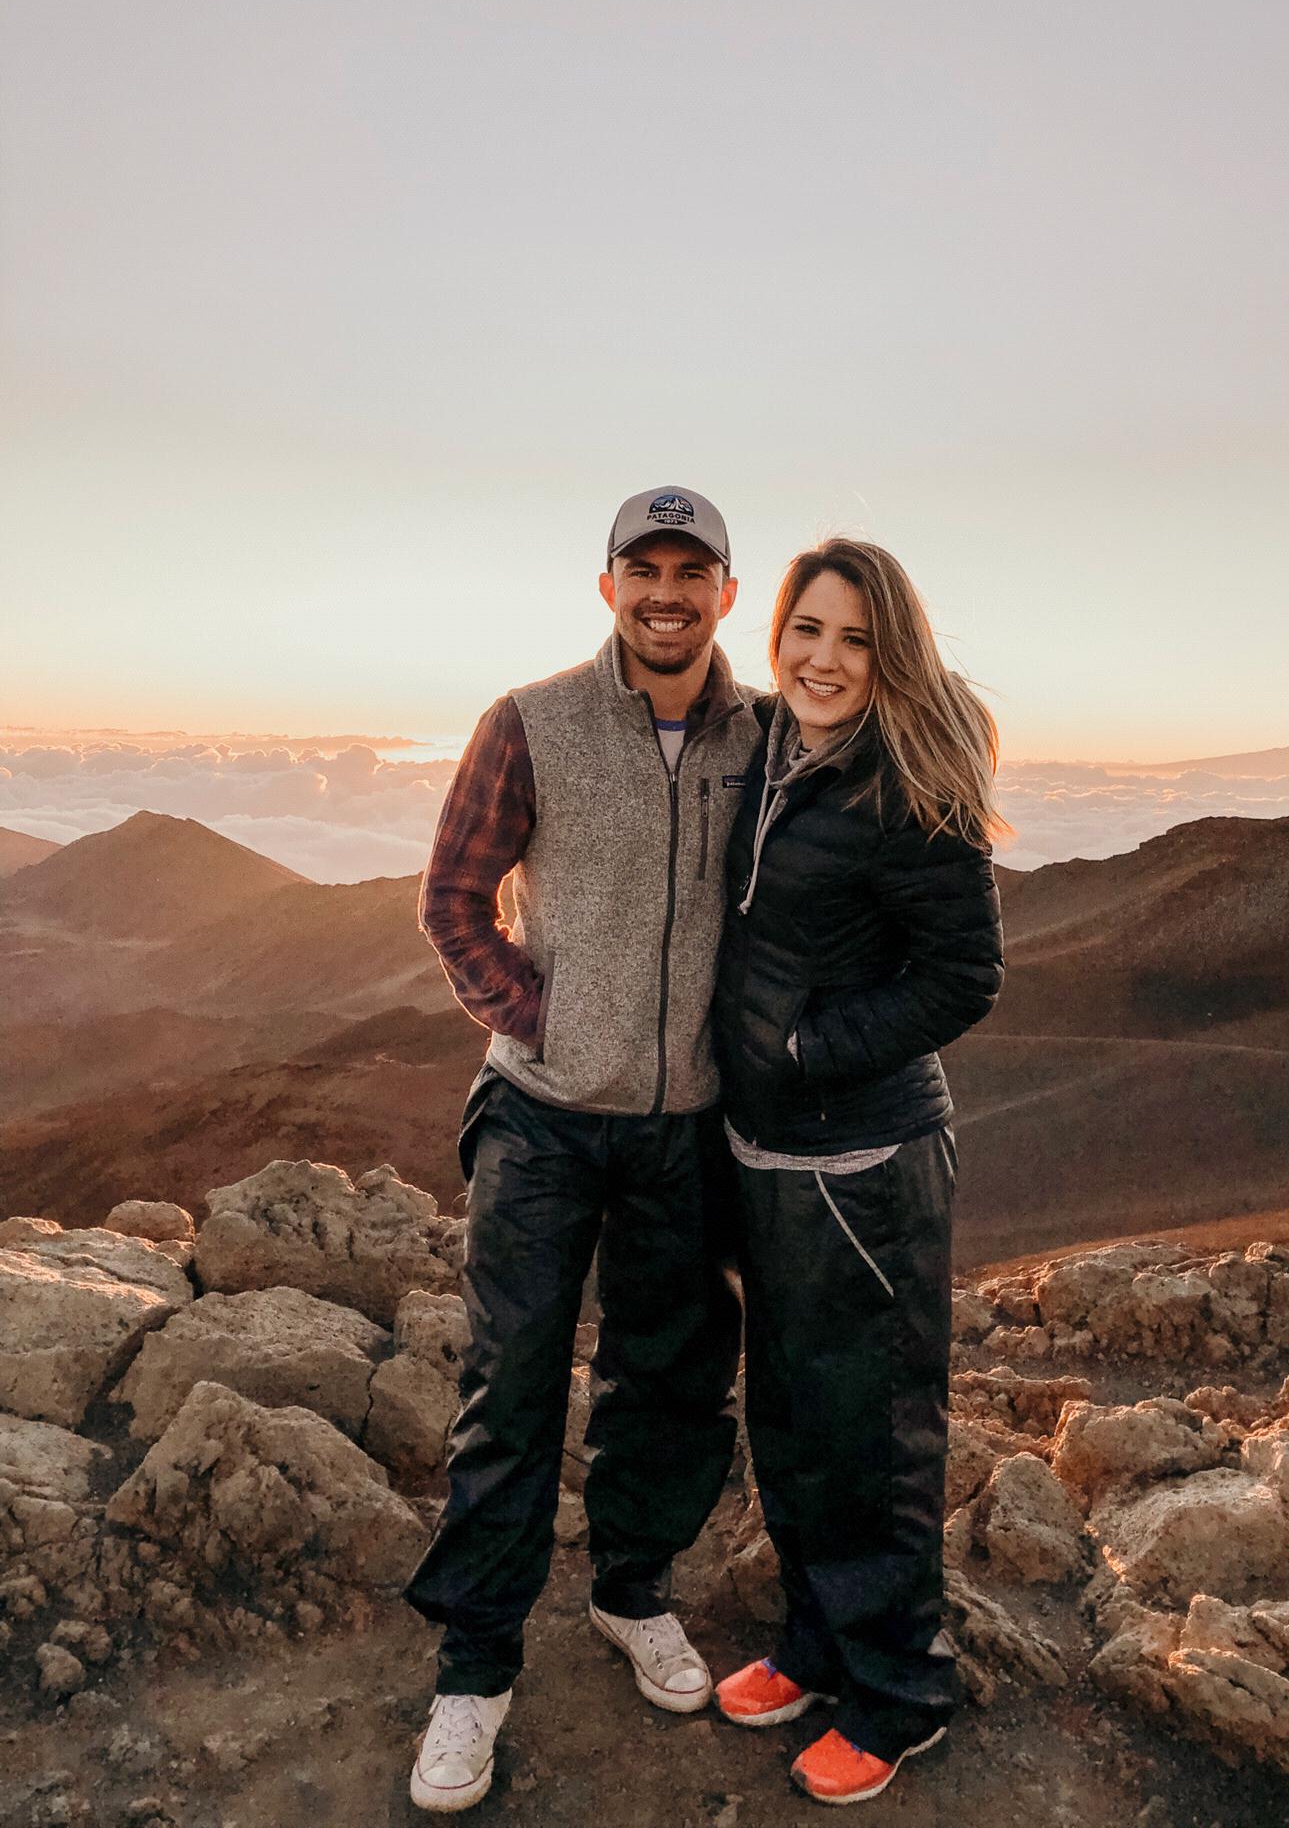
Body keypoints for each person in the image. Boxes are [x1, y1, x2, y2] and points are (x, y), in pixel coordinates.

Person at [403, 487, 763, 1814]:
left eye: (693, 570)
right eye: (643, 567)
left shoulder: (763, 739)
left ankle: (630, 1594)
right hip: (545, 1120)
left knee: (668, 1379)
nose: (666, 591)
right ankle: (475, 1667)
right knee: (511, 1385)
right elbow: (450, 897)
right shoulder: (531, 720)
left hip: (687, 1126)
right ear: (607, 585)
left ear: (728, 591)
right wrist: (541, 1021)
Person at [710, 537, 1005, 1806]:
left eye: (855, 638)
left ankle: (899, 1690)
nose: (824, 659)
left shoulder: (912, 783)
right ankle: (819, 1642)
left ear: (893, 653)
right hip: (767, 1152)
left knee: (871, 1429)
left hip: (867, 1156)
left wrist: (807, 1047)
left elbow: (963, 974)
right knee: (786, 1413)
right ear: (775, 634)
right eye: (806, 630)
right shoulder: (776, 750)